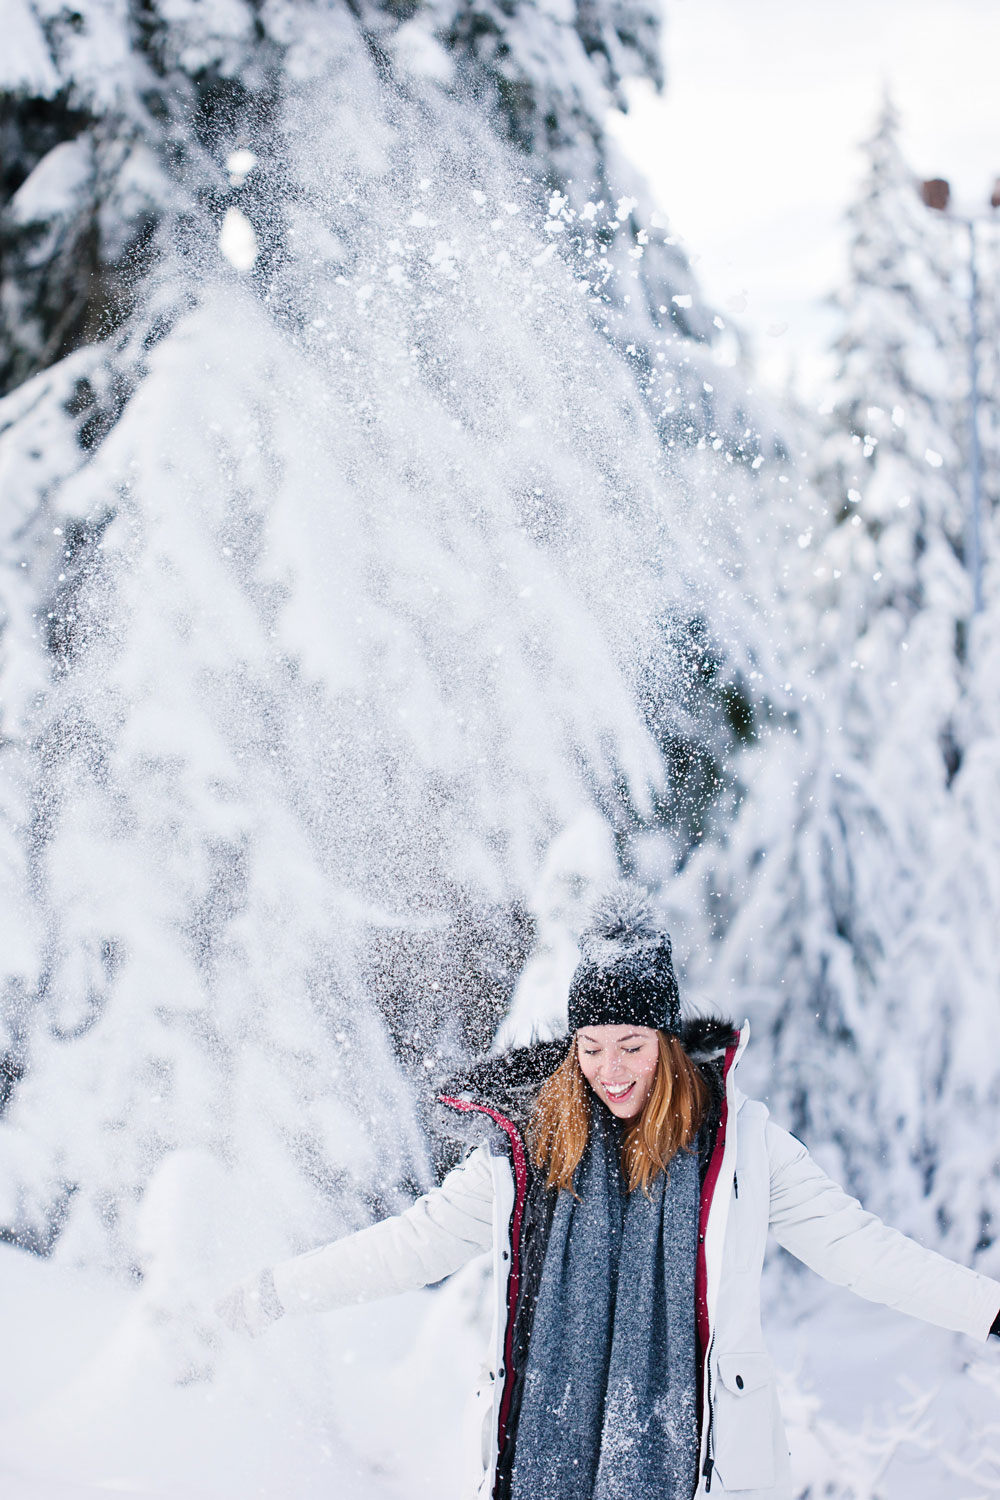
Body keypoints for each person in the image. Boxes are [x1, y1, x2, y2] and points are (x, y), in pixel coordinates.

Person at [218, 882, 1000, 1499]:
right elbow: (413, 1245)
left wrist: (988, 1309)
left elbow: (861, 1252)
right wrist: (277, 1291)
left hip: (695, 1470)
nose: (612, 1069)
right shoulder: (529, 1152)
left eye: (632, 1045)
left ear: (666, 1041)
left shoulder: (741, 1150)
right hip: (541, 1464)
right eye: (591, 1047)